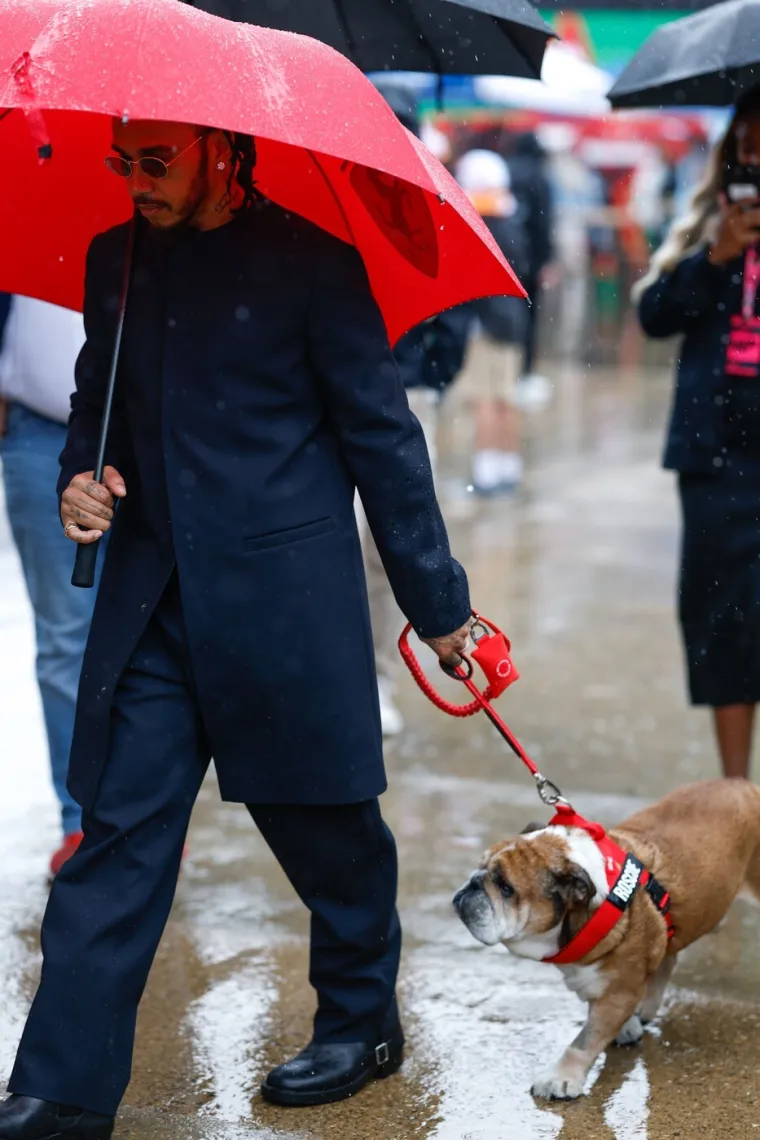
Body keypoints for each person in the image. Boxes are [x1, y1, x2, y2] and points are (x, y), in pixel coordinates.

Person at [0, 119, 472, 1138]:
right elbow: (94, 408)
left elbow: (383, 443)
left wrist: (441, 608)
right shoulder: (113, 257)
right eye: (122, 160)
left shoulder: (315, 265)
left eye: (154, 160)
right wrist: (79, 480)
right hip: (153, 605)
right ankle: (61, 1087)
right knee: (115, 838)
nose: (133, 180)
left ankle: (359, 1017)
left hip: (281, 600)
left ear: (223, 149)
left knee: (325, 822)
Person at [636, 88, 760, 781]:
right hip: (715, 464)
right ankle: (738, 800)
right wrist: (713, 259)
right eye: (744, 144)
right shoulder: (703, 226)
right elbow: (654, 315)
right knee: (725, 623)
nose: (753, 158)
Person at [363, 79, 470, 736]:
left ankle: (373, 674)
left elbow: (452, 312)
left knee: (384, 543)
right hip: (336, 404)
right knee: (344, 540)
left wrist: (427, 381)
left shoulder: (429, 209)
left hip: (401, 399)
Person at [0, 296, 95, 877]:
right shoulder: (26, 211)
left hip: (154, 436)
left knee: (153, 635)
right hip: (38, 431)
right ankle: (80, 821)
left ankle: (145, 813)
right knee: (64, 638)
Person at [455, 149, 530, 496]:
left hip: (483, 326)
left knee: (484, 399)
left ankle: (486, 473)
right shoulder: (513, 222)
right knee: (506, 398)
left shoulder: (473, 227)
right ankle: (508, 468)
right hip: (512, 323)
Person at [507, 132, 557, 408]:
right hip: (530, 264)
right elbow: (544, 223)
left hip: (505, 259)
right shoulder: (539, 177)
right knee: (529, 318)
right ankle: (523, 373)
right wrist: (544, 261)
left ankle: (507, 373)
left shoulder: (507, 171)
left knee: (505, 318)